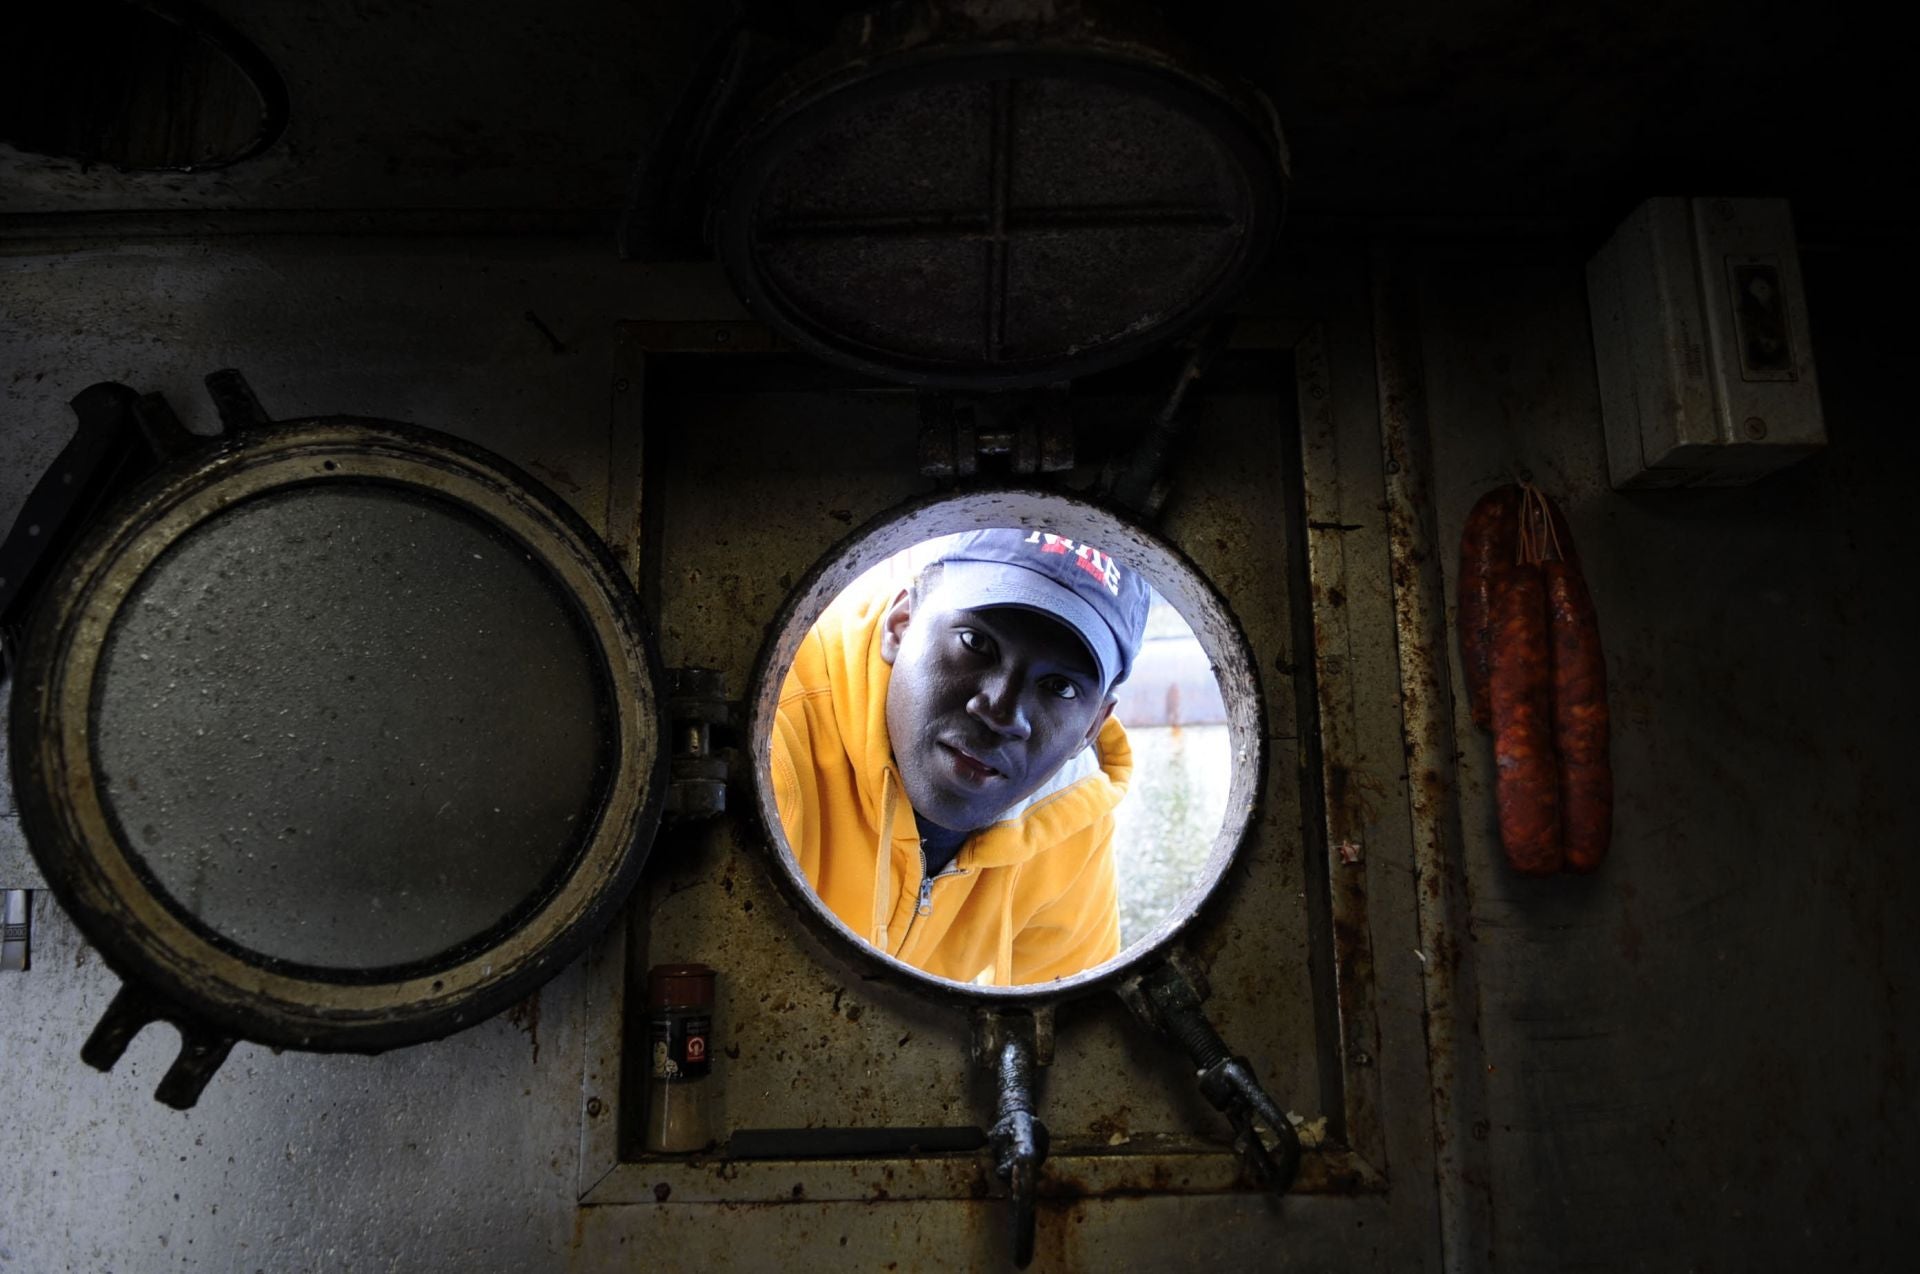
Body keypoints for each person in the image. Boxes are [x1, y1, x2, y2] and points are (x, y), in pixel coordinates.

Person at [771, 528, 1151, 986]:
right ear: (903, 622)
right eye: (976, 643)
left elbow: (1067, 1032)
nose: (1001, 712)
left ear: (1092, 727)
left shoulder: (1068, 817)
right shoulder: (775, 731)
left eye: (1060, 687)